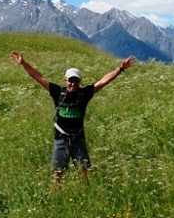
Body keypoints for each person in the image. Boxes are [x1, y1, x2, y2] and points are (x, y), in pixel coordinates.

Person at [10, 51, 136, 182]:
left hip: (78, 138)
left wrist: (120, 69)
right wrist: (23, 63)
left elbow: (103, 81)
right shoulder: (58, 92)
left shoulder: (85, 93)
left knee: (84, 171)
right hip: (60, 139)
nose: (73, 84)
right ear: (65, 80)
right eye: (71, 80)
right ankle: (56, 196)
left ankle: (85, 194)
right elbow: (37, 77)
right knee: (57, 173)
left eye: (76, 81)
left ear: (80, 81)